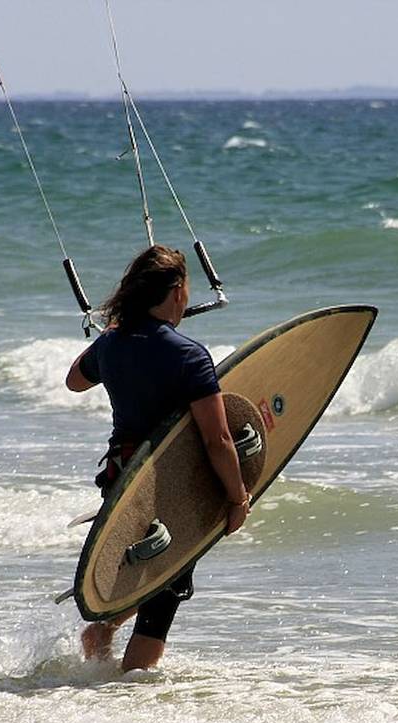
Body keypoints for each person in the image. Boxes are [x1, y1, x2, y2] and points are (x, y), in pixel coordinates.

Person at [65, 245, 250, 671]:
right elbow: (218, 439)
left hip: (122, 481)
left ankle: (102, 638)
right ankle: (131, 692)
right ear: (178, 291)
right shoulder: (189, 355)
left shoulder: (111, 344)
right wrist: (238, 498)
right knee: (164, 596)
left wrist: (111, 333)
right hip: (171, 489)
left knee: (149, 575)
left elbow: (75, 381)